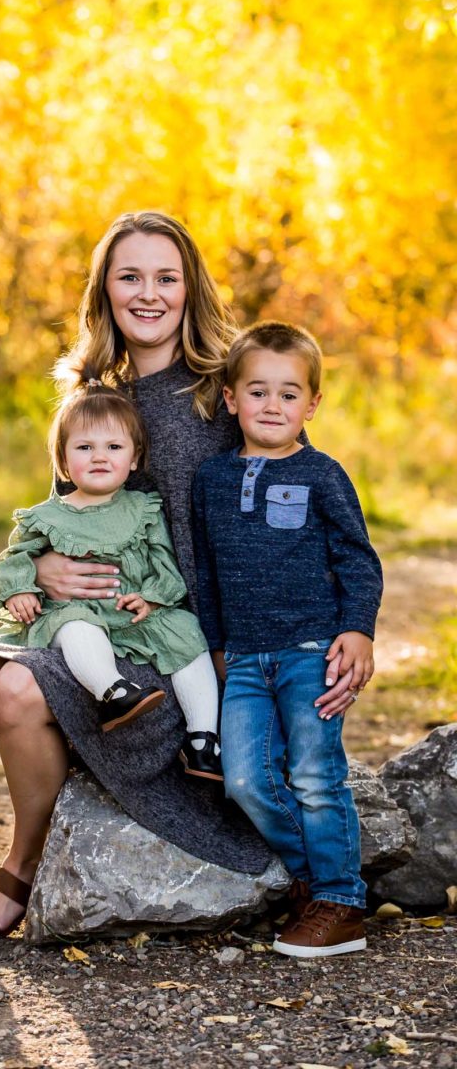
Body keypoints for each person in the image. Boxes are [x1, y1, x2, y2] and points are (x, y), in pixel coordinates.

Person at [0, 214, 358, 963]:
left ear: (190, 288)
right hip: (91, 627)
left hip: (181, 651)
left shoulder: (224, 392)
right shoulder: (92, 391)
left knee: (15, 691)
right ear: (104, 290)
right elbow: (59, 515)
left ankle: (19, 869)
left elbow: (296, 511)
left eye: (166, 277)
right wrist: (41, 572)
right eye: (129, 277)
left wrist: (327, 629)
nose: (148, 294)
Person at [192, 320, 383, 958]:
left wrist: (357, 629)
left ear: (312, 404)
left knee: (314, 776)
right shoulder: (211, 480)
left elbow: (358, 559)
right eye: (258, 392)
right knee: (245, 779)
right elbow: (208, 574)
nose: (272, 406)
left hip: (310, 654)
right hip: (243, 661)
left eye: (289, 393)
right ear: (230, 399)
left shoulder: (323, 473)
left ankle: (340, 901)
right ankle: (321, 882)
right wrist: (217, 648)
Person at [0, 368, 222, 778]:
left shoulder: (143, 509)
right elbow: (13, 560)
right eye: (84, 447)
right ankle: (112, 692)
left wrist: (151, 596)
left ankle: (204, 739)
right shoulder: (46, 518)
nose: (100, 456)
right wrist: (19, 590)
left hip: (134, 615)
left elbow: (164, 561)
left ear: (133, 459)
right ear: (62, 461)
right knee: (76, 624)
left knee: (186, 633)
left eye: (113, 446)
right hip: (80, 612)